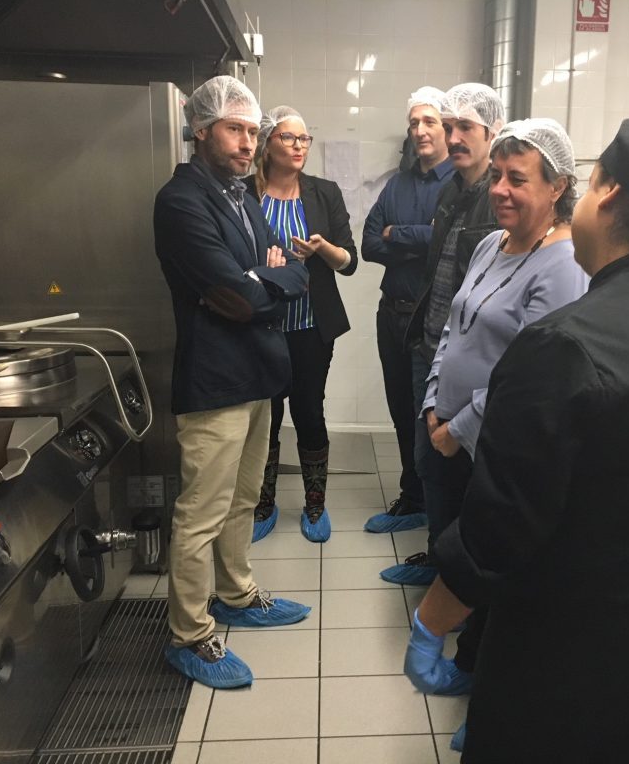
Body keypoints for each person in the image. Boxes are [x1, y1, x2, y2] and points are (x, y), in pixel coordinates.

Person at [404, 105, 629, 761]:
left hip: (563, 662)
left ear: (610, 195)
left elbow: (500, 524)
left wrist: (432, 621)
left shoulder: (565, 347)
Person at [396, 118, 588, 708]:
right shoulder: (490, 244)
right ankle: (466, 663)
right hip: (448, 429)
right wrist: (434, 401)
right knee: (455, 551)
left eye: (517, 179)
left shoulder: (564, 265)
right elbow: (453, 330)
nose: (500, 189)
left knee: (491, 568)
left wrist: (459, 428)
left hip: (495, 445)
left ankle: (486, 686)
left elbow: (528, 375)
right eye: (497, 175)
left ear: (557, 186)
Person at [154, 76, 313, 690]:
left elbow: (291, 271)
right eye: (235, 130)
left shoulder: (242, 197)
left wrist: (261, 279)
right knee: (202, 513)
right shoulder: (181, 201)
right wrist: (256, 283)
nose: (249, 143)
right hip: (215, 380)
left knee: (244, 498)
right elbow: (236, 296)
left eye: (253, 131)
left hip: (258, 375)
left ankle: (237, 593)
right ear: (201, 131)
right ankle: (189, 633)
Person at [378, 82, 506, 583]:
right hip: (431, 347)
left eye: (463, 127)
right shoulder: (452, 191)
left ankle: (456, 575)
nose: (453, 137)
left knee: (462, 470)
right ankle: (439, 559)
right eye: (448, 126)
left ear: (492, 132)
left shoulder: (496, 199)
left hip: (471, 359)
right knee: (430, 461)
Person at [245, 106, 358, 544]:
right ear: (267, 143)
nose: (299, 146)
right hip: (260, 328)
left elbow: (349, 261)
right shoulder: (244, 193)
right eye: (289, 137)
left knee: (309, 412)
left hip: (311, 327)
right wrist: (263, 267)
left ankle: (315, 504)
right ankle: (263, 503)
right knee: (266, 418)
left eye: (304, 138)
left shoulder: (324, 193)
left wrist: (322, 248)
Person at [361, 87, 454, 533]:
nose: (420, 130)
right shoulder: (397, 184)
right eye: (414, 122)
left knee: (429, 414)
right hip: (391, 316)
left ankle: (437, 509)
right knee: (401, 409)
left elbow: (445, 242)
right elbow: (368, 243)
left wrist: (398, 234)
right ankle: (412, 496)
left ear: (446, 128)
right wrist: (419, 238)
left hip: (433, 321)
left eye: (429, 121)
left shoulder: (458, 185)